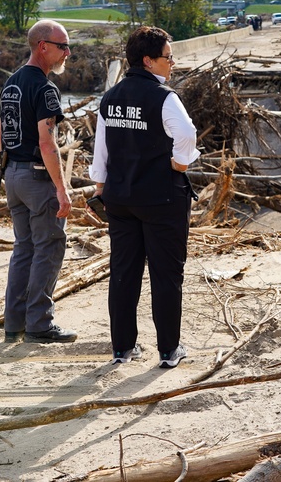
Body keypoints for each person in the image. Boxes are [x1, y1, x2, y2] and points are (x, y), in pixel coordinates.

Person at [89, 26, 200, 369]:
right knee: (166, 274)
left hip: (120, 198)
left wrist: (100, 188)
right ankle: (168, 350)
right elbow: (187, 133)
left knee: (123, 273)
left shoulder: (110, 98)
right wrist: (180, 163)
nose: (172, 63)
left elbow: (100, 153)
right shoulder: (164, 97)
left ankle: (122, 348)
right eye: (168, 57)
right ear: (149, 61)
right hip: (161, 198)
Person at [0, 20, 76, 343]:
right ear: (43, 46)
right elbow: (48, 143)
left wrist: (6, 172)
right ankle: (40, 324)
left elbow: (2, 133)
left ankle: (13, 323)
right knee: (50, 246)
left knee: (24, 248)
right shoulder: (45, 88)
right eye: (62, 46)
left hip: (12, 175)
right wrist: (61, 188)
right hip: (35, 175)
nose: (67, 53)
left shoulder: (10, 84)